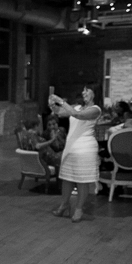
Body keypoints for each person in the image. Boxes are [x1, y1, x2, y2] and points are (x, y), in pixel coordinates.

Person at [49, 86, 101, 223]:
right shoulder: (77, 107)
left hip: (85, 148)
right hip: (71, 147)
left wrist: (61, 101)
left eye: (87, 90)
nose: (83, 93)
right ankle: (64, 205)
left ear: (95, 93)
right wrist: (52, 105)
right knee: (67, 178)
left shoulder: (95, 109)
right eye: (82, 90)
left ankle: (79, 208)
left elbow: (78, 116)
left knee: (82, 180)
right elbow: (60, 112)